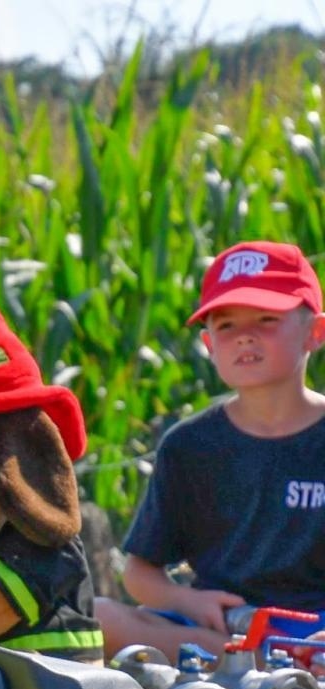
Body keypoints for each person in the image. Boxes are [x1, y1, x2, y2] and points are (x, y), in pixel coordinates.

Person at [96, 240, 325, 661]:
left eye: (266, 319)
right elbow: (140, 573)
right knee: (98, 618)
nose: (245, 338)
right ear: (208, 345)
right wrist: (190, 603)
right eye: (226, 326)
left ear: (315, 332)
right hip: (216, 629)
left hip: (315, 630)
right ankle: (251, 661)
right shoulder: (189, 445)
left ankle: (269, 664)